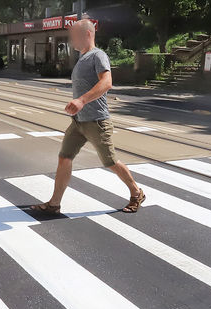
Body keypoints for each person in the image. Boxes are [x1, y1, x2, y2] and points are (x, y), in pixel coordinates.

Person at [30, 19, 146, 214]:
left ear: (87, 34)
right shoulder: (82, 58)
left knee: (110, 161)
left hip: (97, 121)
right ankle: (54, 204)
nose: (71, 40)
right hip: (78, 122)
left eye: (74, 35)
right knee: (64, 158)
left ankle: (136, 192)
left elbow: (107, 82)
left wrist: (81, 101)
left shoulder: (97, 56)